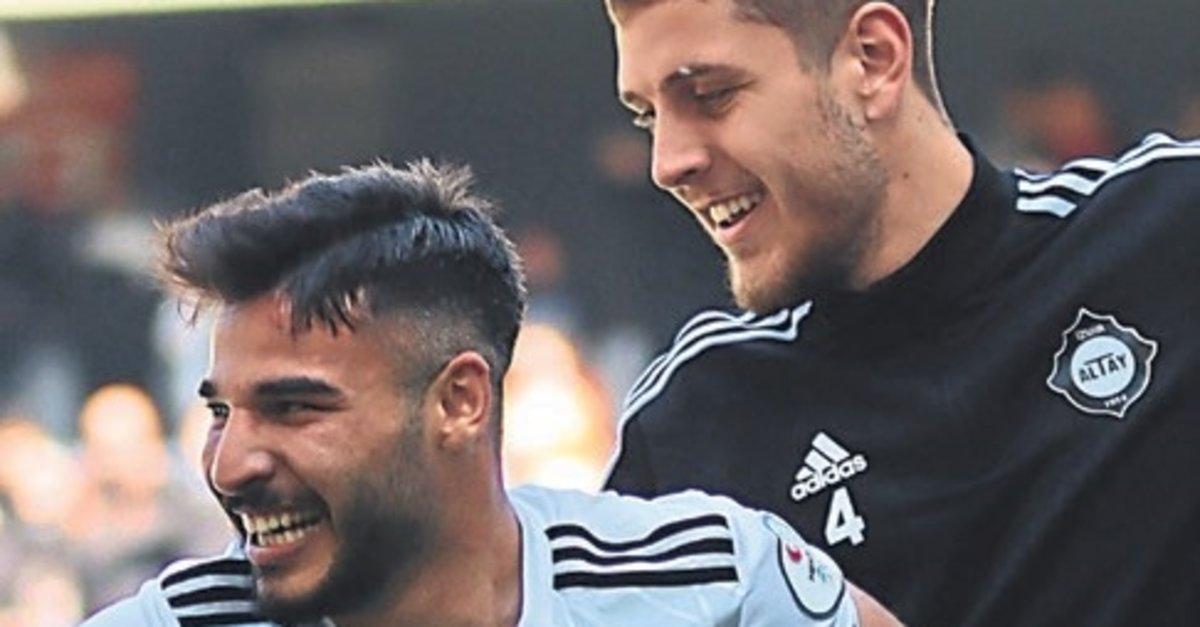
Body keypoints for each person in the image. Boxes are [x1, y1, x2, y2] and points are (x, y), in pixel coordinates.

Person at [80, 160, 900, 626]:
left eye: (294, 407)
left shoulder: (709, 585)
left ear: (459, 401)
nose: (230, 464)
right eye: (221, 411)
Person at [599, 1, 1199, 626]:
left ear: (874, 60)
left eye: (711, 96)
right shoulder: (689, 434)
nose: (667, 164)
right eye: (648, 117)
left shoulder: (1168, 237)